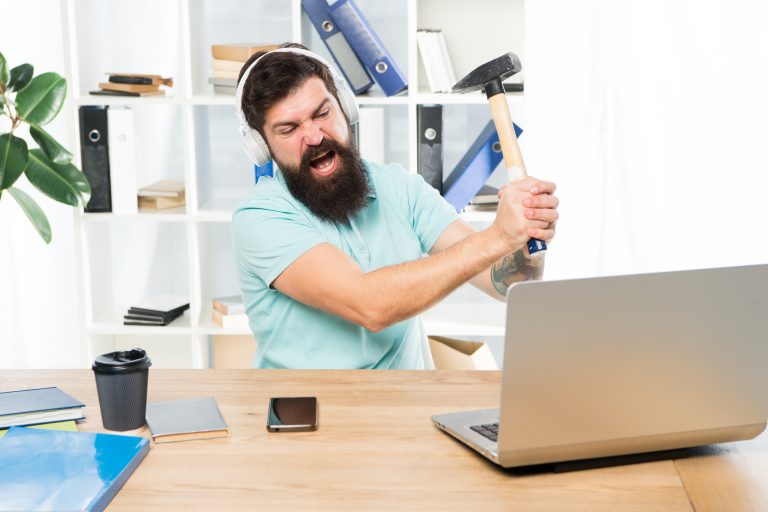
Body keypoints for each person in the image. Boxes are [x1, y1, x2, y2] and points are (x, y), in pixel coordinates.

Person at [232, 43, 559, 369]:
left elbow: (505, 283)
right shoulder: (259, 219)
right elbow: (369, 306)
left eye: (322, 113)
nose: (315, 136)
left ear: (346, 107)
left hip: (408, 407)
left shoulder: (399, 187)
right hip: (311, 414)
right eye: (289, 129)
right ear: (261, 147)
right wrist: (497, 237)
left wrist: (525, 237)